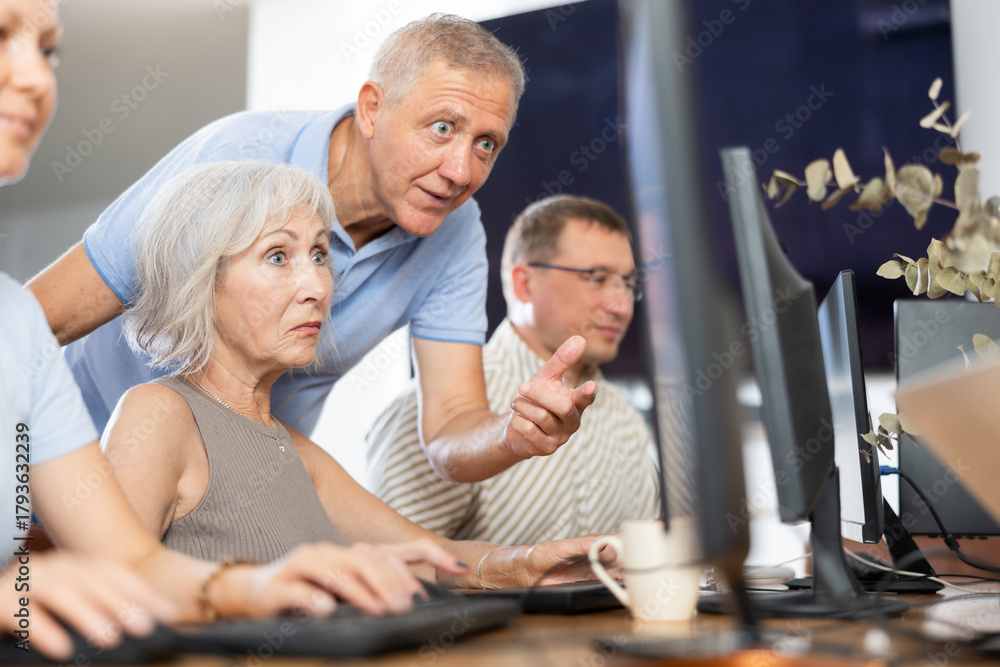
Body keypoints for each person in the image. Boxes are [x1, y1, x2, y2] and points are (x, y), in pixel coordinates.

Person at [0, 2, 466, 660]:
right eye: (2, 38)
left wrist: (261, 584)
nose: (34, 76)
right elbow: (34, 589)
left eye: (48, 50)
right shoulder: (148, 406)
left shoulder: (17, 326)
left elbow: (126, 566)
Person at [28, 13, 596, 485]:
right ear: (371, 108)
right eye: (442, 128)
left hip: (234, 488)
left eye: (486, 144)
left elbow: (451, 425)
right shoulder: (237, 153)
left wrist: (510, 436)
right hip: (66, 460)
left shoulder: (457, 232)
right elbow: (39, 321)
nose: (461, 171)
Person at [101, 160, 613, 588]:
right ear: (200, 280)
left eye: (319, 255)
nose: (318, 287)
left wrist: (528, 565)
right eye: (278, 256)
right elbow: (109, 594)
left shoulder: (291, 448)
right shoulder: (158, 414)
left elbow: (430, 558)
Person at [367, 195, 662, 544]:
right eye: (597, 278)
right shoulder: (434, 413)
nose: (621, 306)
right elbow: (393, 563)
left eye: (628, 283)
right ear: (524, 284)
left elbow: (641, 556)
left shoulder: (624, 419)